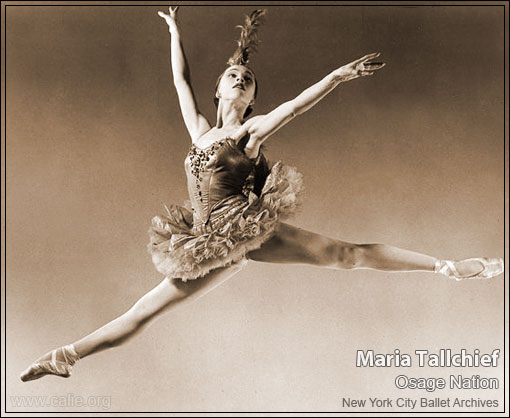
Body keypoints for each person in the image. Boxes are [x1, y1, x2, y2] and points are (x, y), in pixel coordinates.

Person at [20, 7, 504, 382]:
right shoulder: (200, 133)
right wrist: (173, 31)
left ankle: (447, 268)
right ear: (219, 89)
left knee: (344, 254)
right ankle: (64, 356)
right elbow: (180, 81)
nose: (240, 78)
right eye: (233, 75)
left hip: (245, 229)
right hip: (204, 243)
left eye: (247, 80)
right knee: (141, 312)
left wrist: (336, 77)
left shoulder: (250, 132)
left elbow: (292, 108)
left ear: (252, 100)